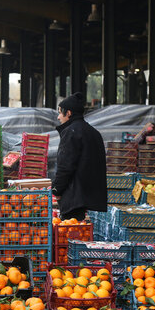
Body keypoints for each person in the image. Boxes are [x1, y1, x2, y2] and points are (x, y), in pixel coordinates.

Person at [52, 92, 107, 220]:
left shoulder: (71, 132)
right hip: (90, 198)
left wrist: (56, 190)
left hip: (74, 200)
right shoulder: (94, 133)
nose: (58, 117)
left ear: (69, 113)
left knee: (71, 233)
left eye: (60, 112)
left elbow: (65, 166)